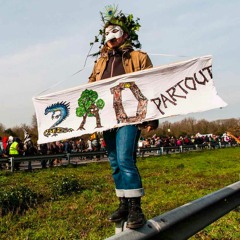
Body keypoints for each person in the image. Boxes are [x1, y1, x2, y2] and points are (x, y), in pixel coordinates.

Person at [88, 6, 158, 229]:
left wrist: (152, 116)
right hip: (107, 118)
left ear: (125, 35)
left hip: (129, 116)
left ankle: (136, 207)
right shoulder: (100, 62)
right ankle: (123, 203)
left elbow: (151, 85)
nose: (110, 37)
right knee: (114, 162)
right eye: (106, 33)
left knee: (126, 158)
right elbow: (91, 88)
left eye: (115, 32)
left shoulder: (139, 57)